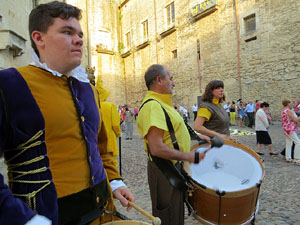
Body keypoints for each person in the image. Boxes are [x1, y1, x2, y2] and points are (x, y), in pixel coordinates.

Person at [0, 2, 134, 225]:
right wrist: (22, 218)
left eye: (80, 34)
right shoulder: (10, 85)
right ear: (39, 38)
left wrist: (114, 181)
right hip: (46, 215)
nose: (79, 39)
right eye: (67, 32)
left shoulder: (89, 90)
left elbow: (100, 146)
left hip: (101, 210)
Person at [137, 64, 210, 225]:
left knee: (176, 214)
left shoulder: (162, 104)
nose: (173, 83)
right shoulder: (152, 106)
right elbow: (156, 148)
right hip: (164, 169)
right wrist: (189, 156)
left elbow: (174, 130)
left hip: (173, 166)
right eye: (171, 78)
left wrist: (199, 136)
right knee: (168, 217)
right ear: (159, 80)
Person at [281, 99, 300, 163]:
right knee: (298, 142)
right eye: (291, 103)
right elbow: (295, 120)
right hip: (290, 128)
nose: (292, 104)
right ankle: (297, 158)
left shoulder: (283, 110)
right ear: (288, 104)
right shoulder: (289, 111)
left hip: (286, 128)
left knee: (289, 143)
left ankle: (288, 157)